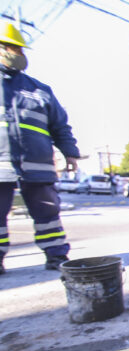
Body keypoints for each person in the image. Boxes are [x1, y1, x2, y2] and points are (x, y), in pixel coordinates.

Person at [0, 22, 80, 274]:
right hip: (1, 164)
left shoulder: (39, 90)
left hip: (37, 165)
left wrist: (70, 152)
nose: (18, 53)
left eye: (20, 49)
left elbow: (60, 125)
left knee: (47, 213)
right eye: (11, 48)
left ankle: (56, 256)